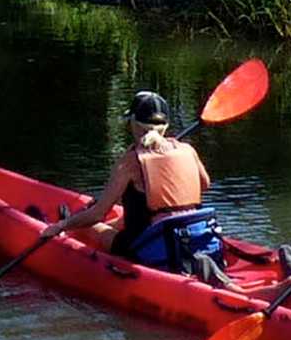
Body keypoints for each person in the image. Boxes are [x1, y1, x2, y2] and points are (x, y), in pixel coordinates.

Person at [36, 91, 233, 286]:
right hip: (193, 234)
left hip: (152, 243)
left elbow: (97, 214)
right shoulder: (187, 150)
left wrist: (61, 226)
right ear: (166, 126)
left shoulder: (130, 162)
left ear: (133, 123)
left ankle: (65, 232)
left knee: (92, 227)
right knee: (124, 218)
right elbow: (204, 184)